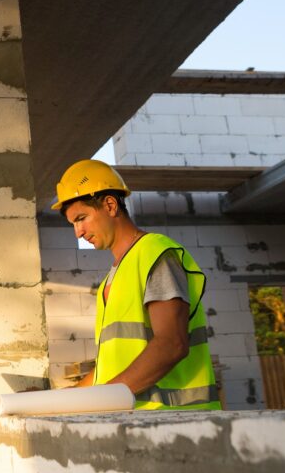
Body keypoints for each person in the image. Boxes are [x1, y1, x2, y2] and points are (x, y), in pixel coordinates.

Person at [52, 159, 220, 410]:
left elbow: (172, 344)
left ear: (109, 205)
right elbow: (107, 371)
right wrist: (62, 398)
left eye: (82, 218)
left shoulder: (154, 253)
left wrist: (105, 398)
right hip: (136, 425)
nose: (78, 232)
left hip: (173, 424)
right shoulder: (113, 279)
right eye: (73, 224)